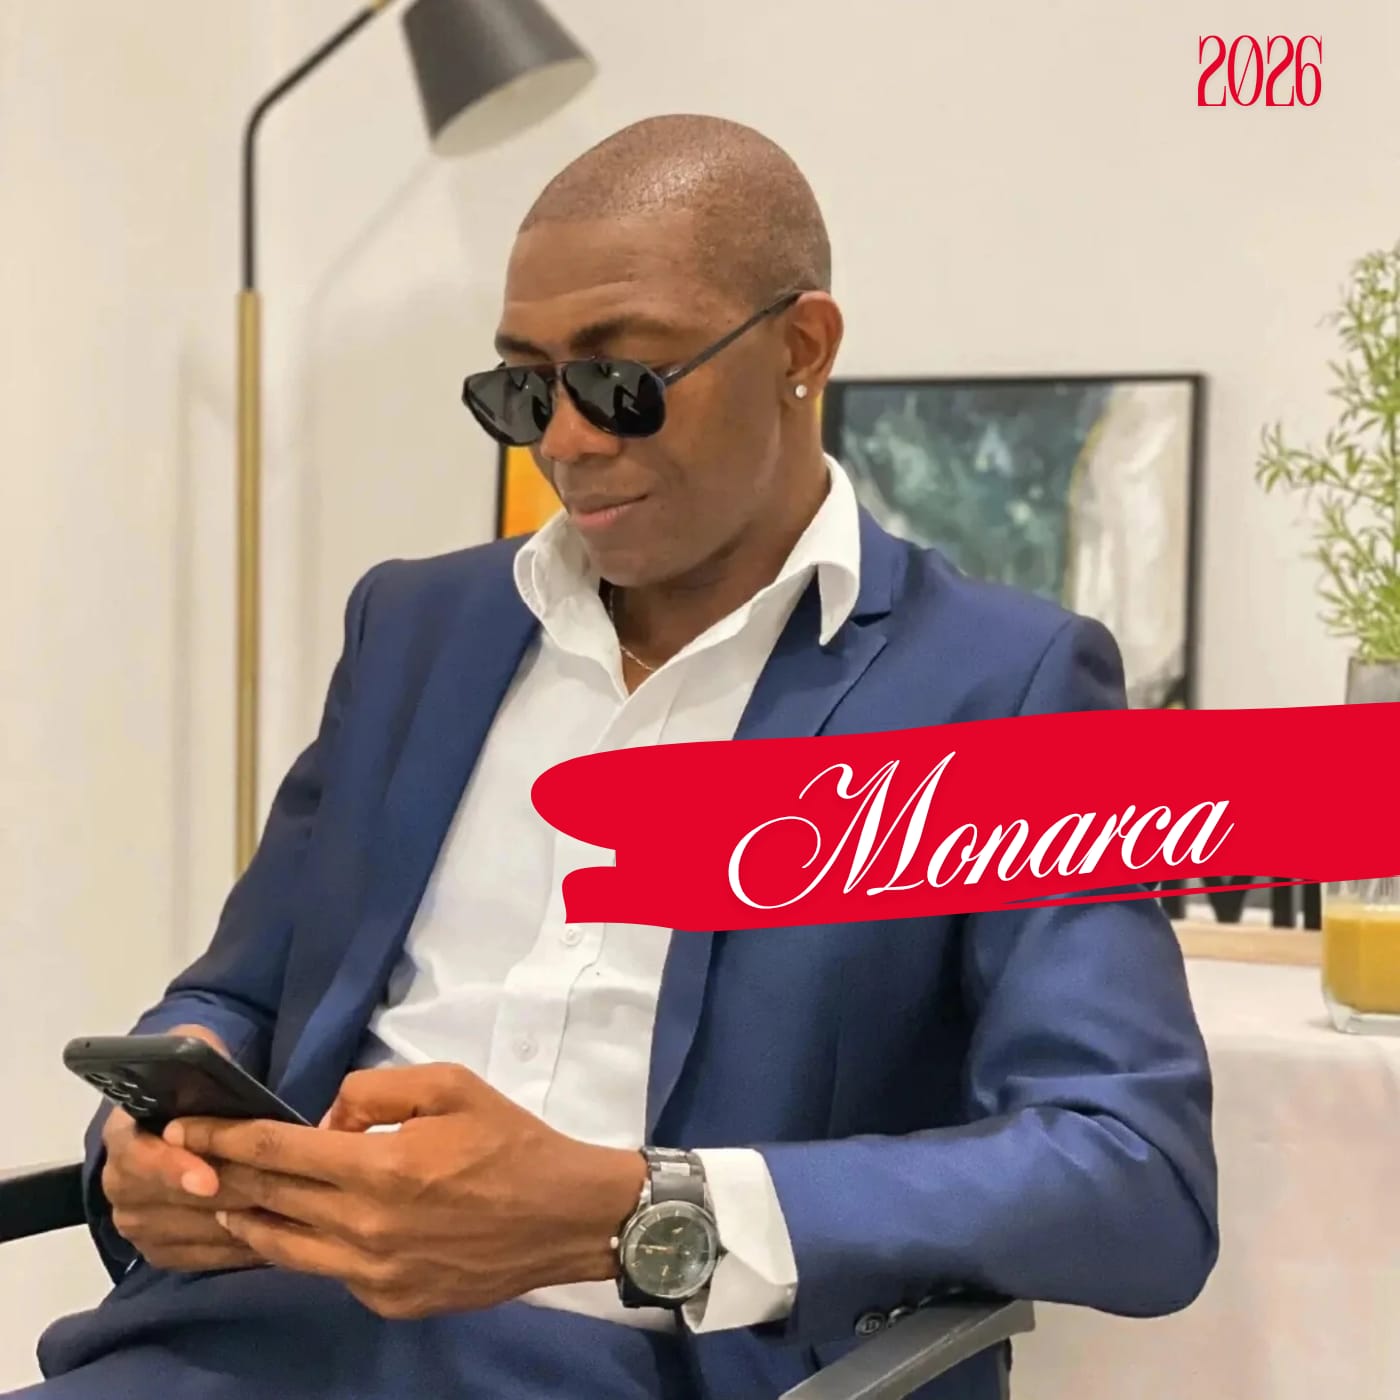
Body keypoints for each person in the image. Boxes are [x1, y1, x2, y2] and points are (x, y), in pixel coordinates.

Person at [14, 114, 1217, 1400]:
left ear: (800, 348)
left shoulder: (997, 687)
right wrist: (145, 1136)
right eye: (523, 390)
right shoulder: (415, 627)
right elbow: (238, 993)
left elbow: (1132, 1170)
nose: (566, 441)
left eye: (621, 379)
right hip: (244, 1337)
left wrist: (638, 1210)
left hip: (651, 1370)